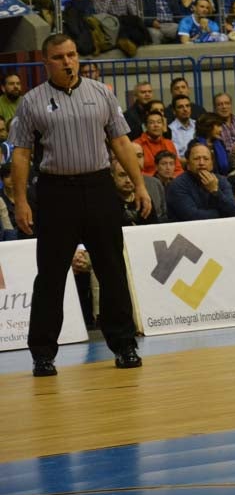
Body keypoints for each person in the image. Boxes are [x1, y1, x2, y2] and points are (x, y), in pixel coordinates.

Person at [11, 34, 150, 377]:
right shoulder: (31, 102)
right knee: (51, 276)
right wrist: (21, 201)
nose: (68, 61)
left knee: (112, 270)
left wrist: (141, 184)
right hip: (57, 192)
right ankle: (43, 354)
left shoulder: (102, 93)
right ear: (46, 62)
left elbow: (120, 141)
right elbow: (21, 153)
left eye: (72, 54)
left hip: (99, 187)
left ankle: (125, 345)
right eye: (59, 57)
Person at [166, 142, 235, 222]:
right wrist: (223, 214)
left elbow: (234, 211)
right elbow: (193, 216)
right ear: (188, 165)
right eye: (196, 159)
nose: (201, 163)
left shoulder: (222, 181)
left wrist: (215, 191)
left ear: (212, 164)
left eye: (206, 159)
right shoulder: (177, 185)